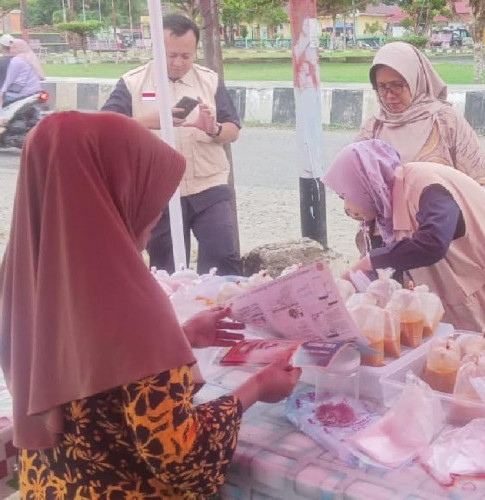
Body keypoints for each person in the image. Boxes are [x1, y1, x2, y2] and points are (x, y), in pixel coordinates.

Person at [0, 111, 301, 497]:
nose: (156, 214)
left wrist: (178, 339)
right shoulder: (131, 305)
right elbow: (182, 457)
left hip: (50, 486)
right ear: (110, 191)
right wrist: (256, 388)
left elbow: (90, 375)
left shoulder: (29, 279)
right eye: (149, 194)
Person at [324, 140, 485, 336]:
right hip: (483, 304)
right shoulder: (386, 210)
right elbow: (392, 266)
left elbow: (432, 244)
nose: (347, 206)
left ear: (365, 184)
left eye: (346, 194)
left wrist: (370, 261)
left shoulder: (426, 184)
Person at [102, 14, 243, 276]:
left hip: (208, 184)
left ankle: (220, 312)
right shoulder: (133, 82)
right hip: (158, 189)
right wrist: (148, 121)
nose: (178, 63)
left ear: (195, 51)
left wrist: (213, 128)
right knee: (166, 265)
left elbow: (233, 129)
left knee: (224, 257)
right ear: (156, 48)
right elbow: (105, 128)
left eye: (186, 56)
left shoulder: (209, 80)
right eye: (171, 55)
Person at [356, 41, 485, 194]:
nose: (390, 95)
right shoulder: (374, 128)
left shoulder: (445, 120)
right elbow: (351, 178)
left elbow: (483, 182)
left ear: (416, 80)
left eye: (397, 85)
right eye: (382, 87)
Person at [0, 34, 42, 108]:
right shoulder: (30, 59)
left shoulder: (16, 60)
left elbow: (9, 80)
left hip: (16, 94)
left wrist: (2, 93)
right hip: (34, 92)